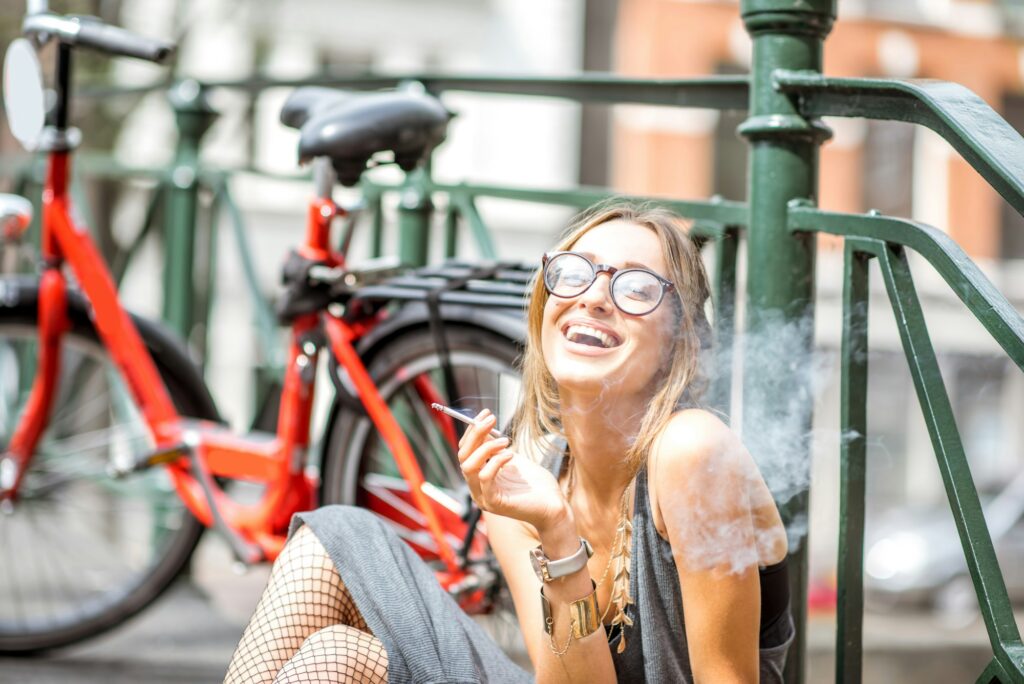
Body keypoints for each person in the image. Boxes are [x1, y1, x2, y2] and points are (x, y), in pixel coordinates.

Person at [223, 202, 793, 684]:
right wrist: (554, 528)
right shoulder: (529, 489)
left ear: (681, 338)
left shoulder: (692, 451)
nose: (594, 297)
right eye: (574, 273)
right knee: (337, 605)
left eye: (636, 286)